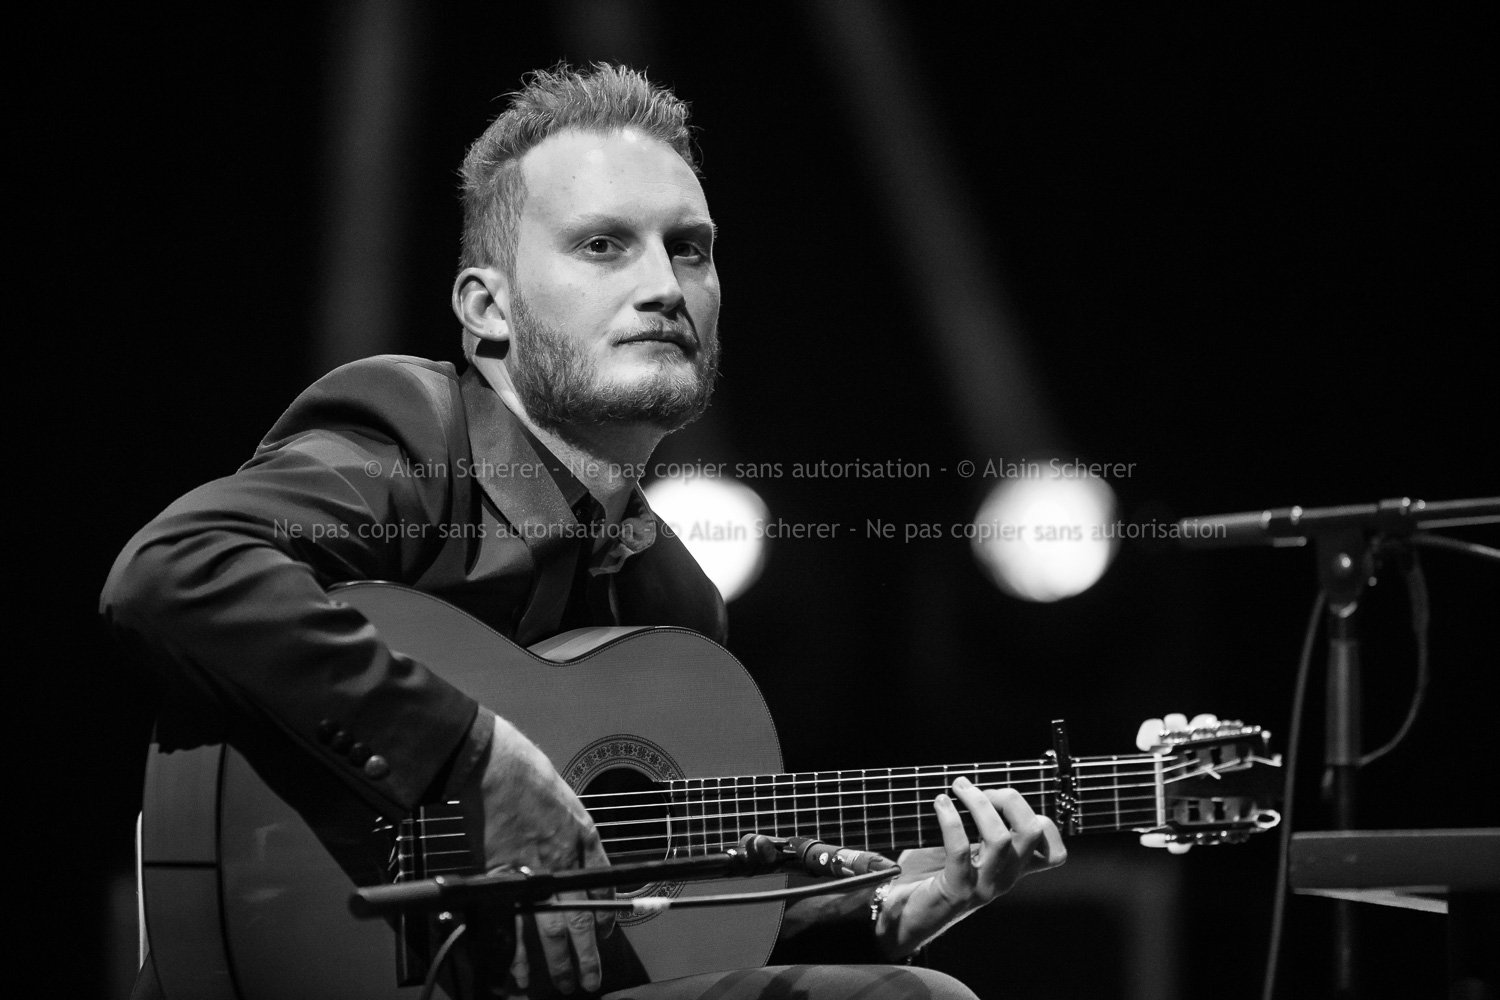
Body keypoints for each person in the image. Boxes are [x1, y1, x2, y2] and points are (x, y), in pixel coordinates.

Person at [101, 62, 1066, 999]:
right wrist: (471, 755)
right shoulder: (414, 435)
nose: (665, 286)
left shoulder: (676, 598)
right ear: (487, 309)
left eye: (690, 249)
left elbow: (665, 921)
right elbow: (174, 568)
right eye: (603, 246)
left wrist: (886, 913)